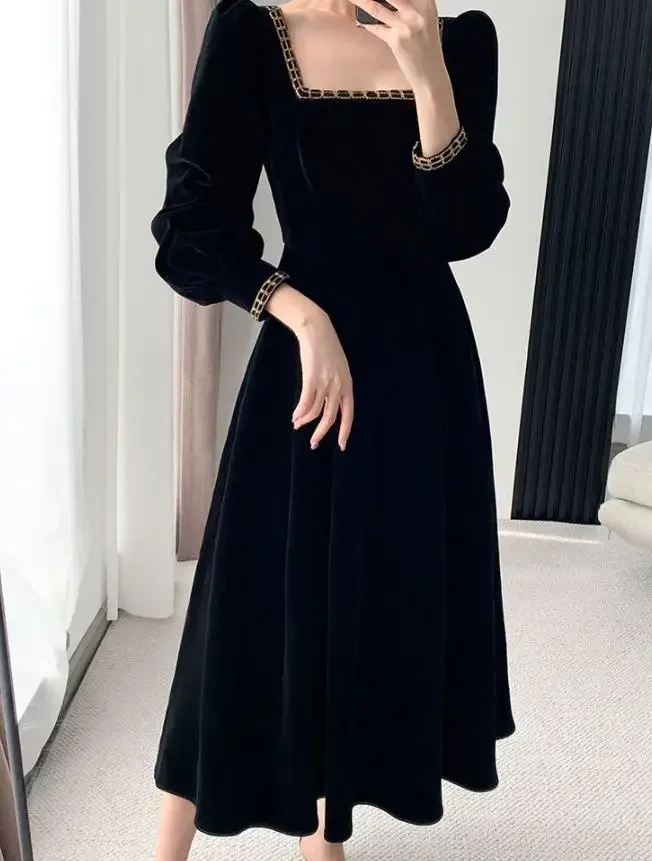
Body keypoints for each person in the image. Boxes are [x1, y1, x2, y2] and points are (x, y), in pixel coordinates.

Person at [151, 0, 516, 858]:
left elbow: (465, 228)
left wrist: (428, 75)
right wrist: (302, 316)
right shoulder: (254, 34)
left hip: (424, 374)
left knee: (385, 599)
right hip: (308, 369)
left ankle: (325, 838)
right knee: (246, 609)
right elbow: (193, 227)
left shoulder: (460, 41)